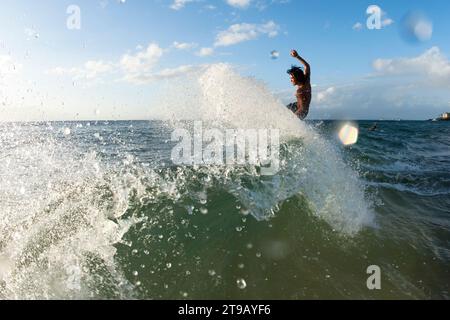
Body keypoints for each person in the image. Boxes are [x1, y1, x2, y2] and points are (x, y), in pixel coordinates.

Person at [286, 50, 311, 120]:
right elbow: (307, 66)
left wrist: (293, 119)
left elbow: (303, 109)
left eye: (292, 78)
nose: (290, 80)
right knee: (279, 109)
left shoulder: (300, 91)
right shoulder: (306, 81)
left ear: (297, 77)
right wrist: (297, 56)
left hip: (301, 111)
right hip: (295, 105)